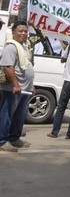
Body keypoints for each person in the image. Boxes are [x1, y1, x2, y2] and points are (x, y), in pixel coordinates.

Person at [0, 21, 34, 152]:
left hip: (25, 89)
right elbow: (8, 68)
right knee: (6, 115)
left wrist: (31, 86)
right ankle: (2, 141)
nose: (23, 33)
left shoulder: (24, 46)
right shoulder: (11, 47)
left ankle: (14, 138)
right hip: (13, 89)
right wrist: (15, 84)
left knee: (19, 116)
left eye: (25, 31)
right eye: (20, 31)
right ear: (13, 32)